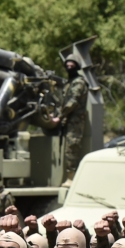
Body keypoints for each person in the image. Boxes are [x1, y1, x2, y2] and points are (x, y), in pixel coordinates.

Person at [53, 53, 89, 187]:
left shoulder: (78, 83)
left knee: (71, 149)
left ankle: (71, 178)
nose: (69, 67)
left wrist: (59, 116)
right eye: (67, 65)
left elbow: (72, 102)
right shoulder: (69, 83)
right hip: (68, 120)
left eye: (72, 65)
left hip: (75, 122)